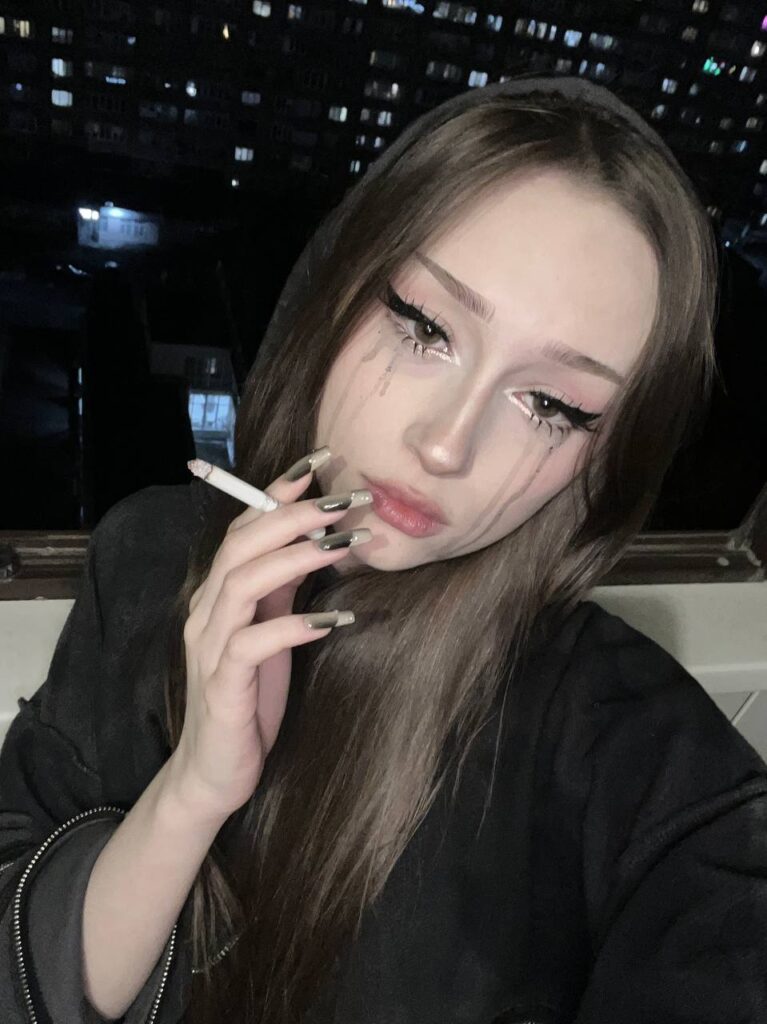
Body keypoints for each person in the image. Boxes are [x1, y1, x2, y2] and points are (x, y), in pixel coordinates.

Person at [1, 75, 766, 1024]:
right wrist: (191, 792)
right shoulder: (146, 554)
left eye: (551, 404)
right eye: (423, 327)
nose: (445, 444)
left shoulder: (622, 736)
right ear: (337, 289)